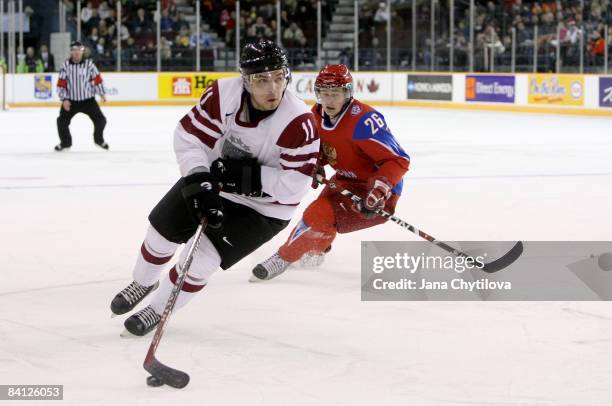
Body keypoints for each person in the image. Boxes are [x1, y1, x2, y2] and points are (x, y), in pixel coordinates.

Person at [110, 39, 320, 336]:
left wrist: (244, 177)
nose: (272, 88)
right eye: (261, 79)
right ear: (245, 80)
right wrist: (197, 178)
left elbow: (294, 187)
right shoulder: (223, 95)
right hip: (214, 179)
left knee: (199, 260)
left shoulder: (299, 122)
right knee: (161, 230)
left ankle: (157, 310)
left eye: (278, 77)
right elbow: (189, 137)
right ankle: (143, 281)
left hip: (263, 207)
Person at [250, 64, 410, 281]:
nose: (329, 100)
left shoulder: (364, 121)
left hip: (379, 191)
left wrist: (379, 191)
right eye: (324, 94)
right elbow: (318, 150)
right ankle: (315, 251)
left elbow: (397, 159)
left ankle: (283, 258)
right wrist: (315, 164)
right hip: (344, 181)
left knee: (318, 214)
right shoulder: (314, 116)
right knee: (322, 217)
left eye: (336, 94)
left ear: (347, 93)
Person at [55, 41, 108, 151]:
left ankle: (99, 140)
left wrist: (102, 93)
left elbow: (97, 79)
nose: (76, 52)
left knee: (101, 120)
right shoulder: (66, 65)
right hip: (71, 101)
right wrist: (64, 99)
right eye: (74, 50)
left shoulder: (89, 64)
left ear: (82, 51)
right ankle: (65, 143)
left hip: (88, 100)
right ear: (71, 52)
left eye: (78, 50)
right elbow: (61, 83)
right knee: (61, 122)